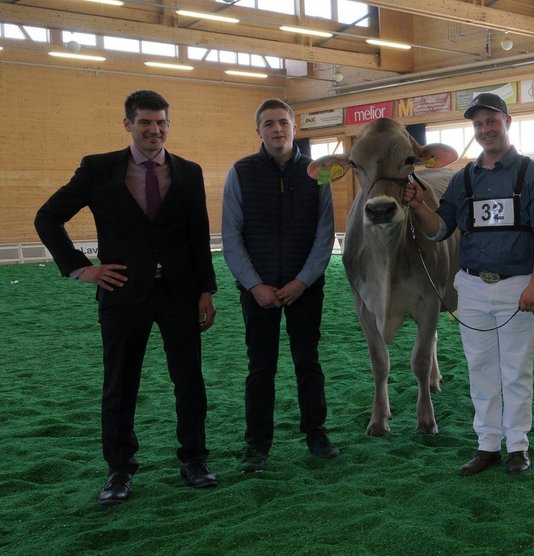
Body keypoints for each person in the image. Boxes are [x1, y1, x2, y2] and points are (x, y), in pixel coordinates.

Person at [34, 90, 218, 504]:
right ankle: (119, 470)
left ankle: (194, 459)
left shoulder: (189, 172)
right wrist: (81, 267)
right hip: (121, 292)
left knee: (189, 380)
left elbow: (198, 236)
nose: (154, 130)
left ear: (168, 125)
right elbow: (47, 217)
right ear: (128, 124)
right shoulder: (98, 169)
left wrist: (206, 289)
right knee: (119, 383)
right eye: (145, 122)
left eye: (161, 122)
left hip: (179, 293)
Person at [403, 93, 534, 475]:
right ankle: (488, 445)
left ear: (507, 121)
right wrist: (419, 205)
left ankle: (518, 446)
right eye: (478, 124)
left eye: (492, 121)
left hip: (517, 286)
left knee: (516, 371)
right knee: (480, 369)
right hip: (471, 287)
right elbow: (441, 229)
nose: (485, 129)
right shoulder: (463, 179)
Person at [222, 98, 338, 473]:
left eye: (283, 122)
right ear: (258, 130)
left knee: (308, 363)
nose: (277, 129)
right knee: (260, 368)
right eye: (269, 123)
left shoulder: (318, 172)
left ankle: (316, 433)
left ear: (293, 127)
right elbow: (231, 236)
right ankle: (257, 444)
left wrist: (303, 281)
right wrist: (254, 285)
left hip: (305, 288)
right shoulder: (240, 172)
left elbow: (325, 234)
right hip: (258, 291)